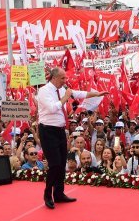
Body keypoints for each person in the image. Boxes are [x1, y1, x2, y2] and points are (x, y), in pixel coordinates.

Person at [37, 67, 107, 209]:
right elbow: (52, 108)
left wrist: (97, 94)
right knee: (55, 163)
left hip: (60, 131)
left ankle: (59, 193)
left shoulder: (63, 89)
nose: (65, 80)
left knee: (62, 163)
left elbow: (79, 93)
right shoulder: (44, 91)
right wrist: (65, 97)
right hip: (47, 131)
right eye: (62, 78)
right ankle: (47, 194)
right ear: (54, 78)